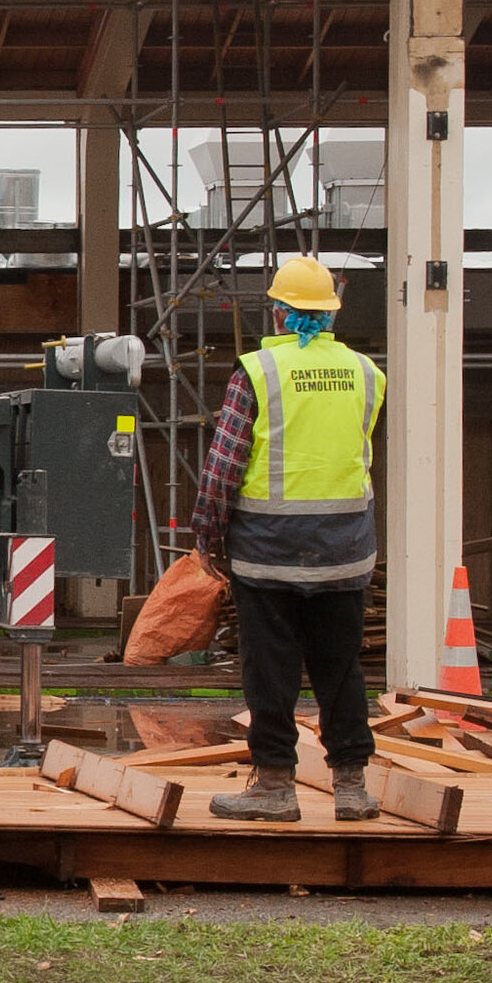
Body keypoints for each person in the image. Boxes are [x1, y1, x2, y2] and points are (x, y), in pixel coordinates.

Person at [196, 256, 384, 823]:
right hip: (344, 548)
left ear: (278, 313)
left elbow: (225, 466)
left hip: (269, 549)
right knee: (340, 668)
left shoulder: (258, 371)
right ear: (329, 314)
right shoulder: (366, 372)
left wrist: (207, 535)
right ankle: (351, 787)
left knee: (270, 670)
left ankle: (276, 785)